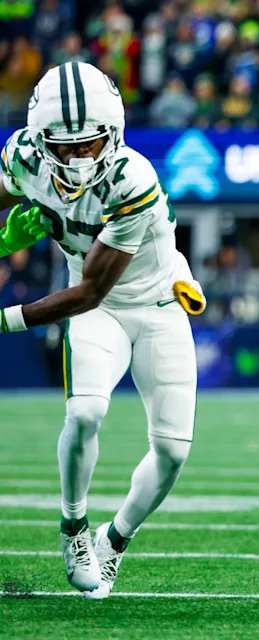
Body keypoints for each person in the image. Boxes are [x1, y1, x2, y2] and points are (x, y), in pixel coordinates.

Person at [0, 62, 205, 599]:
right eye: (63, 147)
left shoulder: (132, 178)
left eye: (88, 144)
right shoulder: (23, 156)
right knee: (86, 410)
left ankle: (115, 540)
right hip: (99, 314)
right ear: (41, 140)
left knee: (173, 451)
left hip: (153, 304)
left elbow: (92, 288)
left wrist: (5, 319)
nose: (76, 157)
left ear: (111, 133)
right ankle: (74, 528)